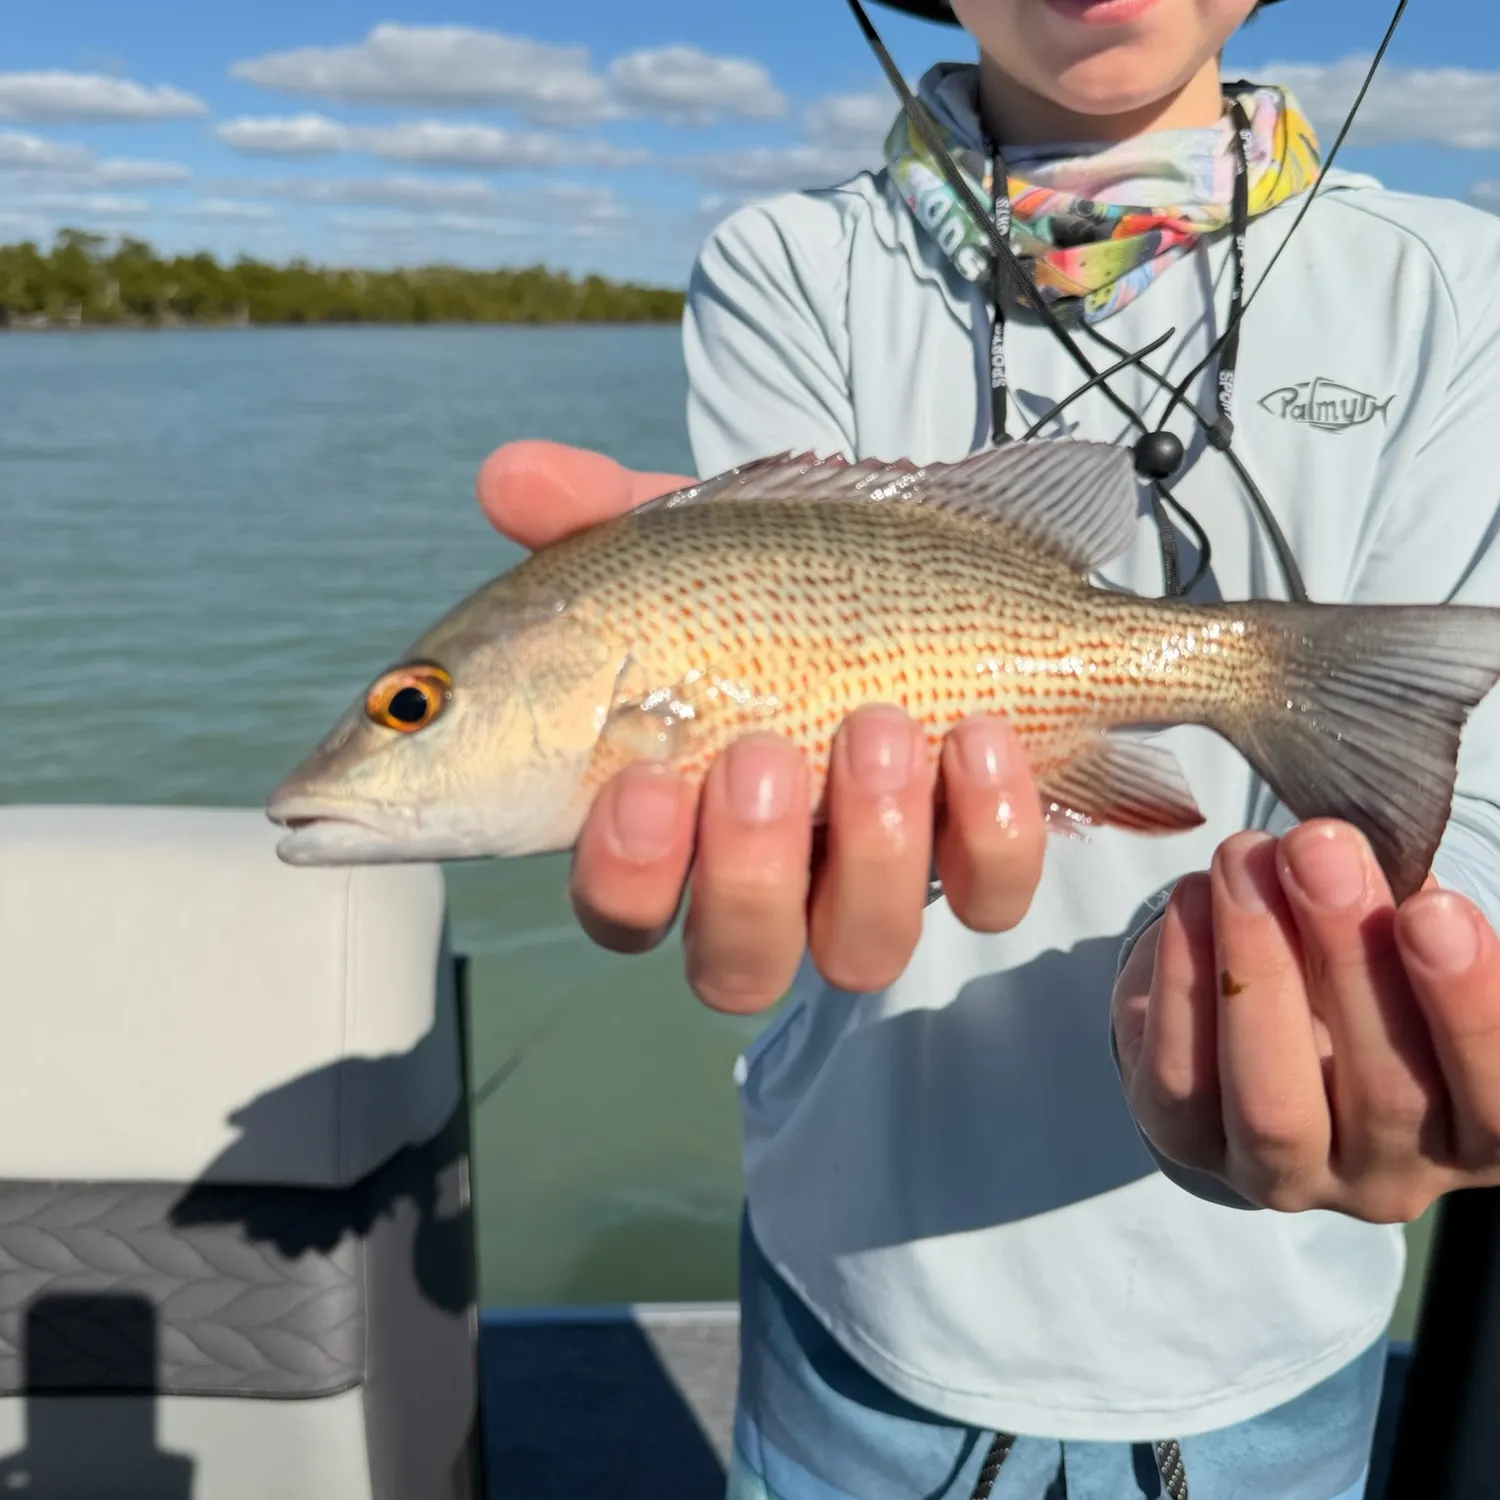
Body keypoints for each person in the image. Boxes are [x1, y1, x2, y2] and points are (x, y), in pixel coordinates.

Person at [477, 0, 1500, 1494]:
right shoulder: (792, 262)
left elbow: (1472, 773)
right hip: (862, 1268)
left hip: (1268, 1318)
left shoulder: (1454, 280)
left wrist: (1406, 970)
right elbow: (808, 724)